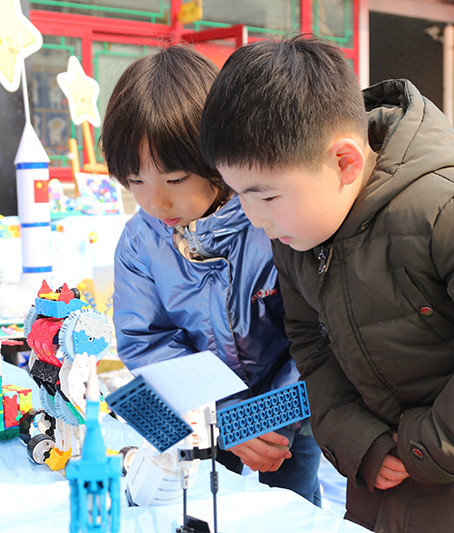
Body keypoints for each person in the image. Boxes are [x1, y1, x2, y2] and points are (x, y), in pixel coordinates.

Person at [199, 35, 454, 533]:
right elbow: (308, 344)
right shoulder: (296, 233)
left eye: (263, 196)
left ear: (344, 162)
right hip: (383, 463)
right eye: (240, 195)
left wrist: (432, 443)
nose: (253, 217)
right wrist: (358, 440)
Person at [100, 45, 322, 505]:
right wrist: (224, 418)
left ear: (218, 157)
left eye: (175, 180)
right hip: (202, 422)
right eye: (134, 181)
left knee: (289, 511)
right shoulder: (140, 242)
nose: (155, 202)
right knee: (202, 508)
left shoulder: (274, 222)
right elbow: (146, 342)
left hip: (289, 421)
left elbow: (319, 336)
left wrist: (268, 419)